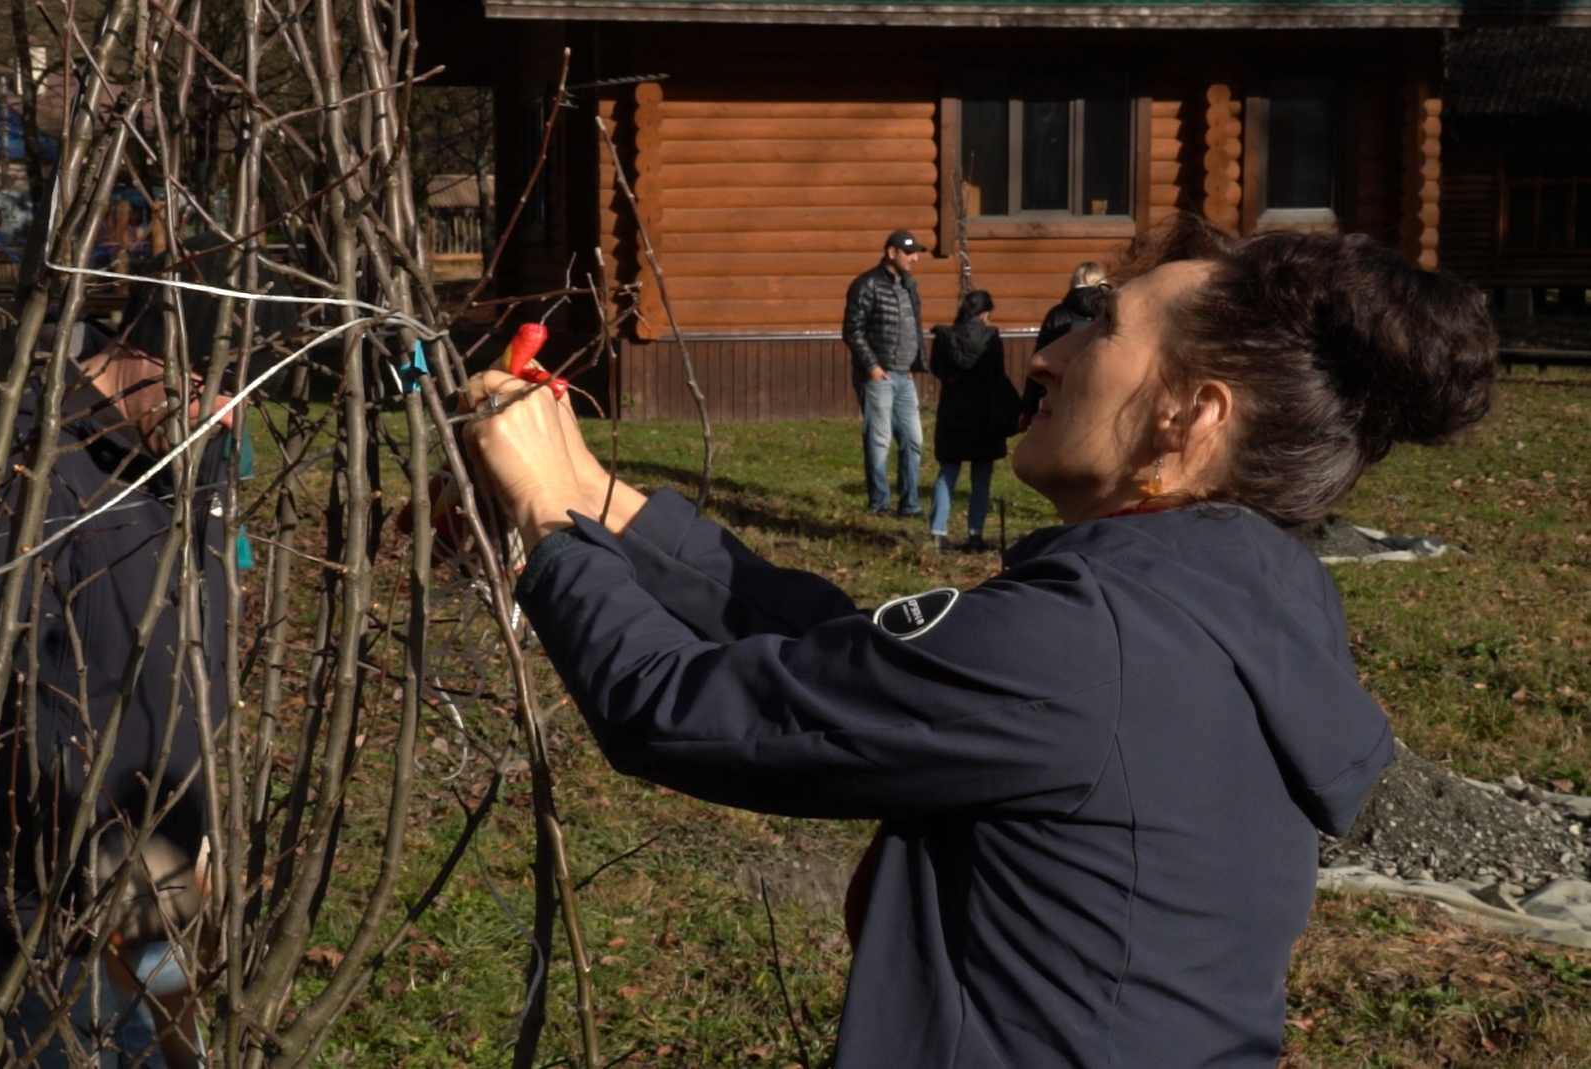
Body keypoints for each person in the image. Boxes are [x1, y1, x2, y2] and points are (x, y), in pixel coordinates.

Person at [460, 213, 1497, 1067]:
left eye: (1101, 329)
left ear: (1189, 417)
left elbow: (681, 711)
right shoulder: (1247, 593)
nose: (1046, 353)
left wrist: (550, 520)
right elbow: (855, 655)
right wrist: (605, 501)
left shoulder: (1089, 641)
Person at [0, 233, 295, 1068]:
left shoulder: (190, 453)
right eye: (212, 388)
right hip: (49, 879)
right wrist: (76, 873)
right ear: (142, 354)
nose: (229, 417)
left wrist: (193, 829)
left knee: (177, 1050)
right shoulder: (17, 471)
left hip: (166, 843)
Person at [842, 229, 927, 516]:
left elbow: (914, 325)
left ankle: (910, 504)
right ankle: (880, 504)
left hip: (905, 376)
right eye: (909, 252)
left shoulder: (909, 284)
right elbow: (852, 330)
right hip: (878, 377)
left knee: (913, 440)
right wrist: (872, 367)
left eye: (916, 252)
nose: (914, 257)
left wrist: (914, 364)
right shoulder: (866, 285)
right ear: (892, 253)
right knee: (879, 441)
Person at [928, 289, 1013, 554]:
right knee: (981, 476)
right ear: (985, 313)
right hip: (983, 413)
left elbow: (936, 369)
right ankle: (975, 534)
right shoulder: (990, 338)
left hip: (953, 411)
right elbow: (999, 374)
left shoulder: (944, 337)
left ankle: (937, 532)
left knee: (947, 473)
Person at [1022, 261, 1107, 425]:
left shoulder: (1057, 314)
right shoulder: (1110, 313)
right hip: (1103, 393)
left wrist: (1028, 409)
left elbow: (1041, 358)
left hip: (1063, 393)